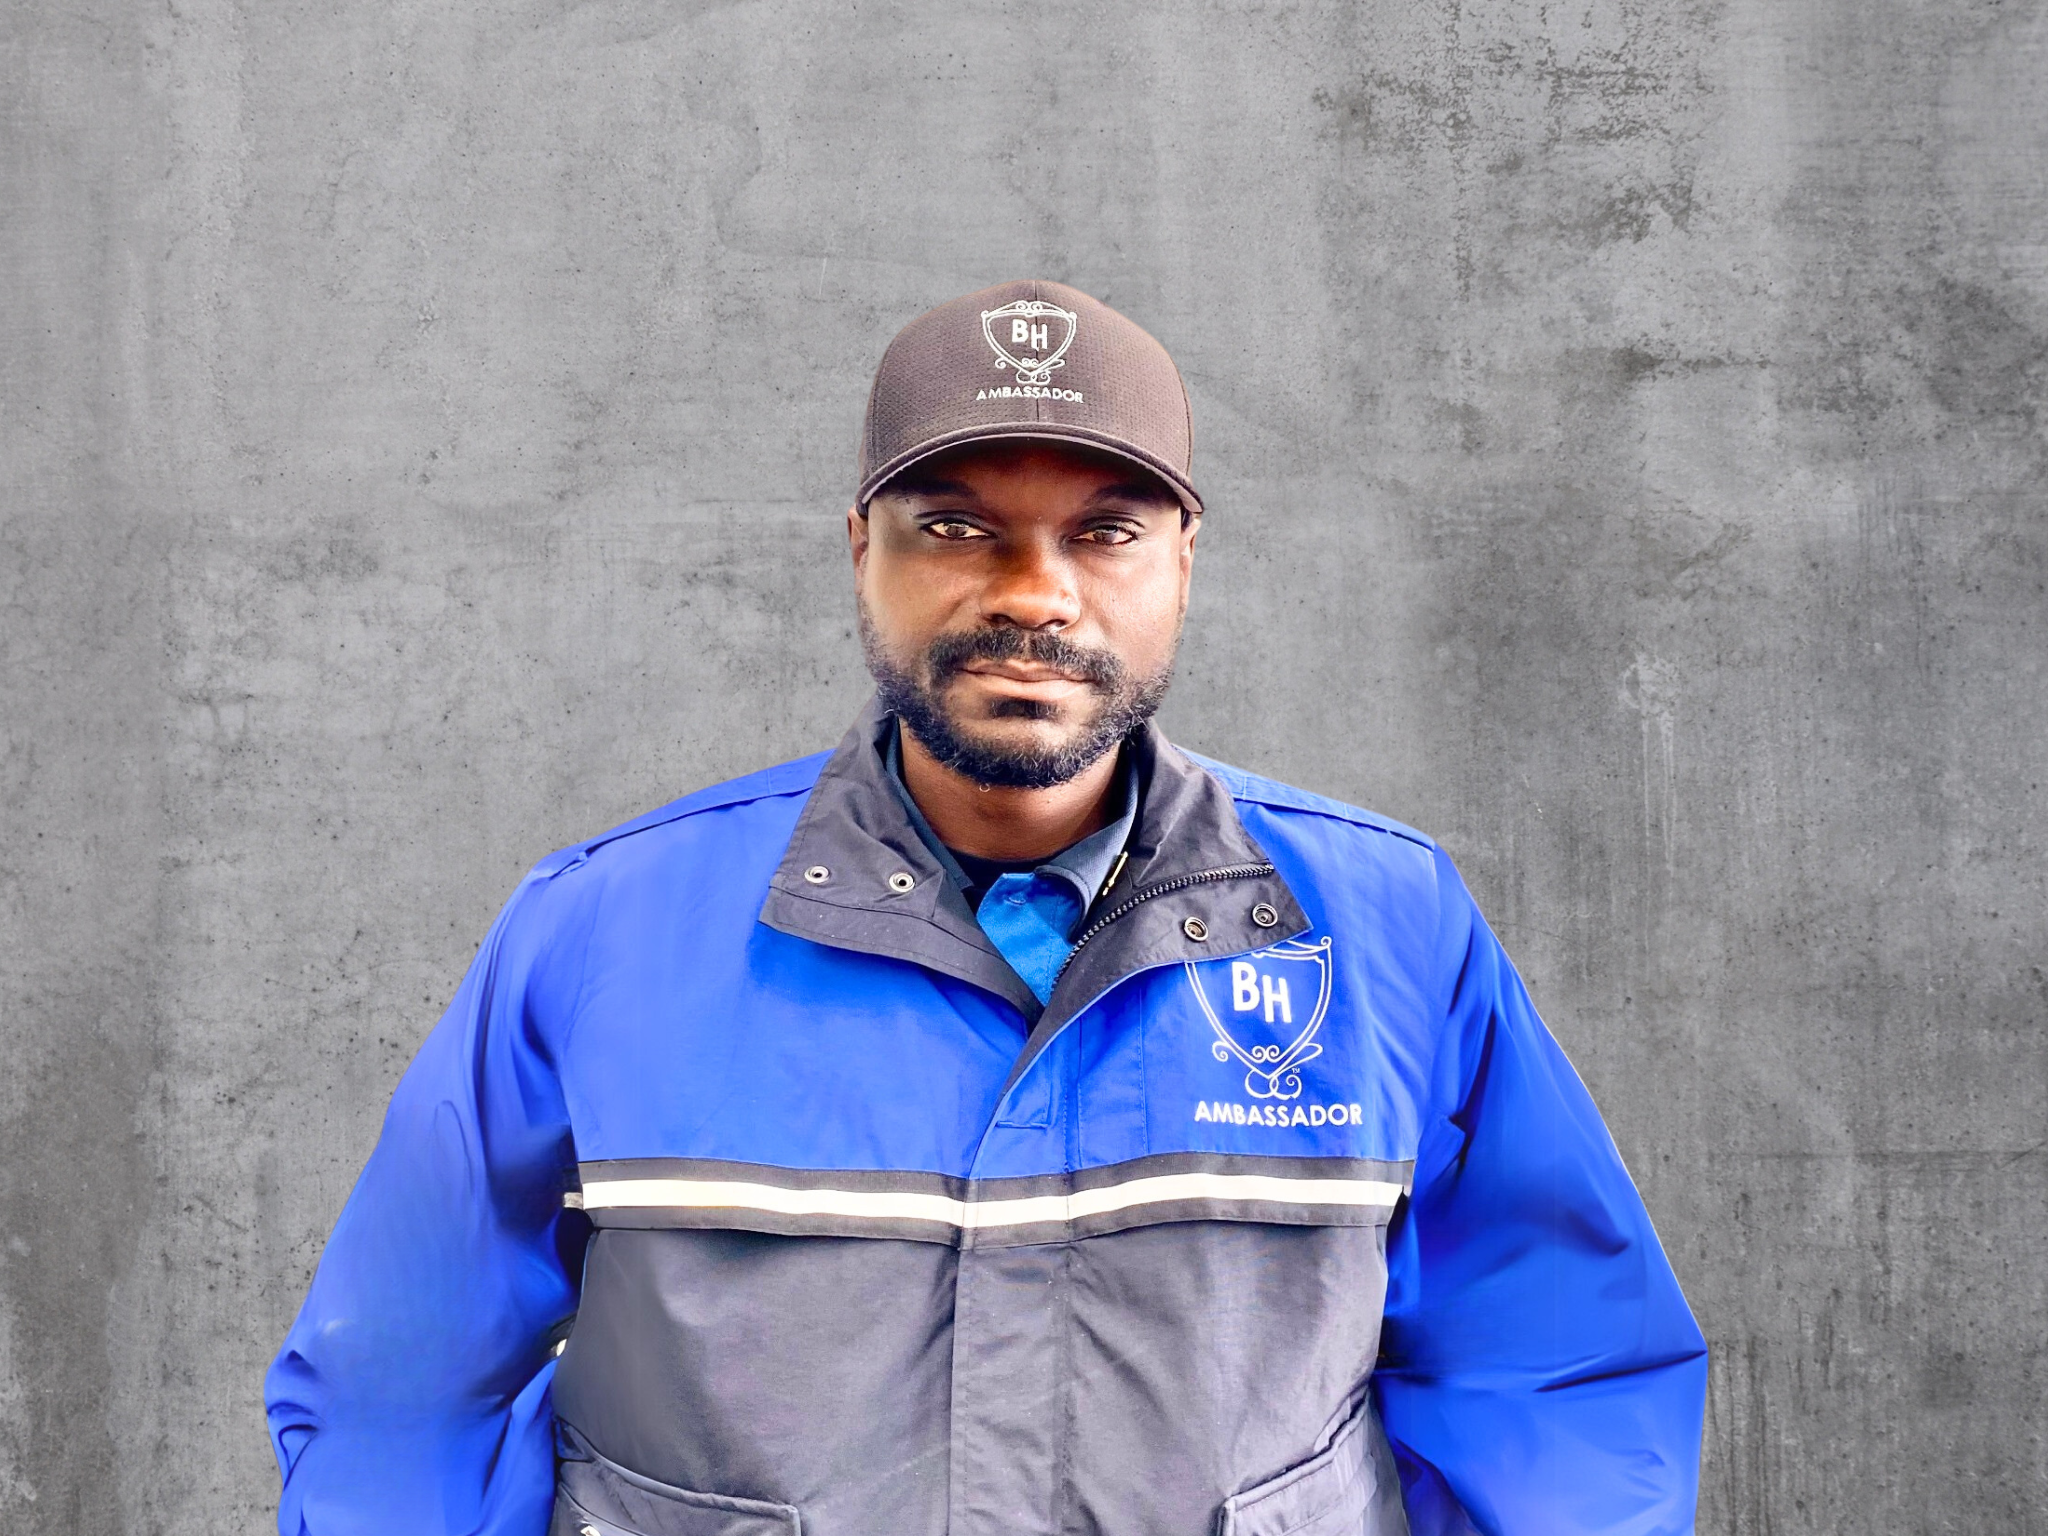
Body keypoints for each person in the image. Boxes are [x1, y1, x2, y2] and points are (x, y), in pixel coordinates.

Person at [264, 280, 1707, 1536]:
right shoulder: (602, 931)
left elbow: (1558, 1372)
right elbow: (400, 1389)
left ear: (1183, 559)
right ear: (861, 547)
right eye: (955, 526)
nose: (1033, 594)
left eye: (1107, 531)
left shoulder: (1384, 926)